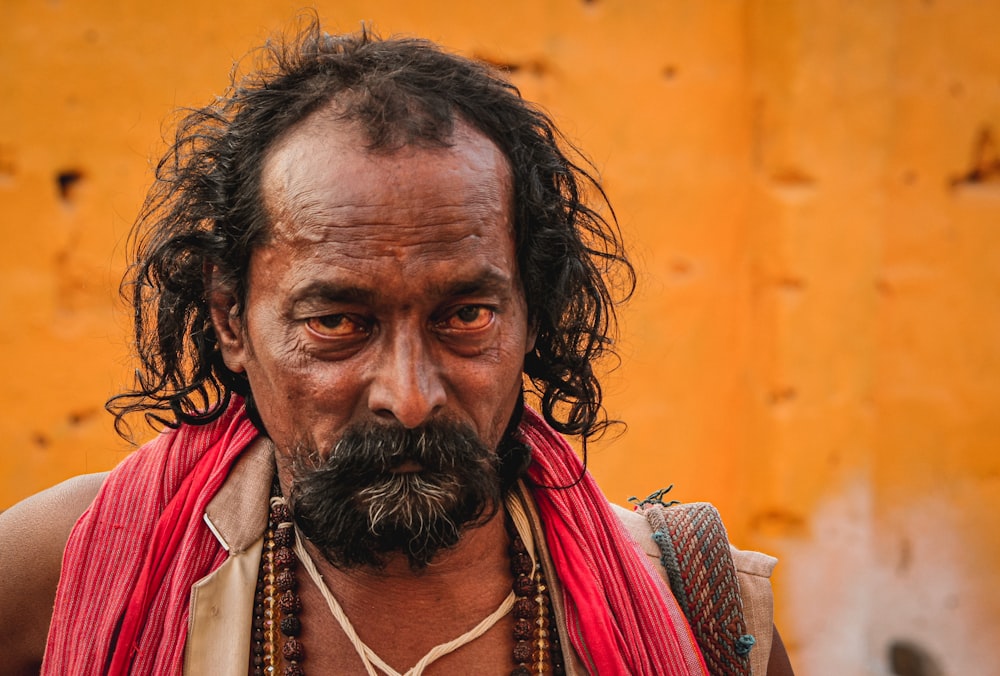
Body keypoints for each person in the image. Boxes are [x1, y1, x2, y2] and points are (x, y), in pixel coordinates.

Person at [0, 20, 793, 676]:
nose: (408, 397)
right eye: (338, 324)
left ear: (533, 313)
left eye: (467, 316)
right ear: (230, 319)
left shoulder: (703, 610)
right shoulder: (63, 575)